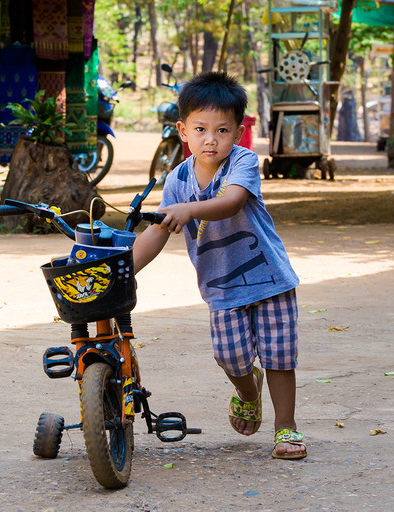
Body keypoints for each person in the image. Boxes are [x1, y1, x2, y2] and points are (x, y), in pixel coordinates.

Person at [133, 72, 306, 459]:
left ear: (239, 133)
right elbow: (159, 232)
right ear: (183, 130)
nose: (211, 139)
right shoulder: (177, 181)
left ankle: (286, 428)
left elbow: (231, 202)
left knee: (279, 355)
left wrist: (188, 209)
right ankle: (248, 390)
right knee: (230, 356)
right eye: (200, 129)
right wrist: (126, 269)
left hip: (270, 278)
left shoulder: (242, 163)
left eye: (223, 130)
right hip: (221, 286)